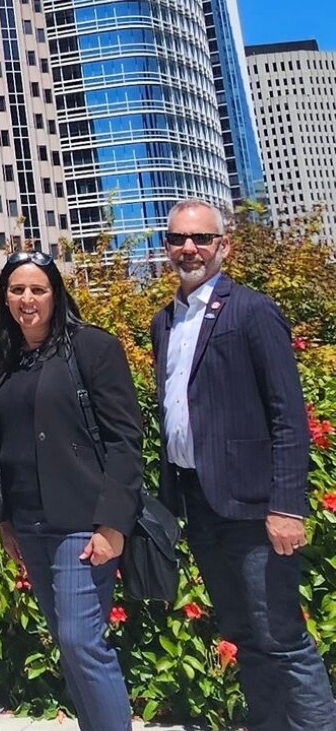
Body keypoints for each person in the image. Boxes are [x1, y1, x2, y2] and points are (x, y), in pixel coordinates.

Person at [151, 199, 336, 729]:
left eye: (201, 239)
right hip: (200, 504)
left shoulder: (252, 310)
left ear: (223, 246)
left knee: (282, 637)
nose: (189, 248)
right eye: (178, 239)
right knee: (244, 634)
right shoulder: (164, 322)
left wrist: (287, 505)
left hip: (256, 509)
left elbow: (288, 415)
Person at [0, 251, 141, 731]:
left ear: (57, 294)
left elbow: (125, 438)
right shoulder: (4, 361)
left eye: (38, 289)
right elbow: (3, 446)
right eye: (16, 290)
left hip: (82, 522)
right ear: (4, 298)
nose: (27, 299)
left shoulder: (91, 348)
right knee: (68, 643)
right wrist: (5, 519)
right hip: (31, 526)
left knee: (80, 640)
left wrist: (113, 523)